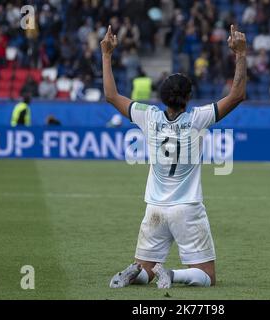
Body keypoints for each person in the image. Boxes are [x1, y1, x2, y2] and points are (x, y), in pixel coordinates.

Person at [102, 24, 246, 288]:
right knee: (208, 277)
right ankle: (173, 274)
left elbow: (111, 95)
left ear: (161, 97)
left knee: (144, 269)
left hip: (155, 207)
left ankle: (137, 273)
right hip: (187, 208)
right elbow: (237, 95)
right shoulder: (197, 119)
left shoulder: (148, 116)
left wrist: (107, 54)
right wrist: (240, 54)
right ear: (189, 97)